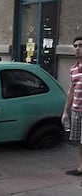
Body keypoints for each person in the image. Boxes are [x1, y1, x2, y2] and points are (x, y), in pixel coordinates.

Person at [63, 36, 82, 176]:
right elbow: (71, 91)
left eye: (80, 46)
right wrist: (65, 112)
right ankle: (81, 168)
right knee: (79, 142)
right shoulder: (73, 69)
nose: (77, 49)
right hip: (76, 111)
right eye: (75, 46)